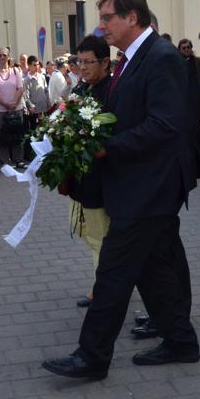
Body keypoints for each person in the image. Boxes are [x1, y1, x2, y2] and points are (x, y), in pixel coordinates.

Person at [42, 0, 198, 379]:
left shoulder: (161, 57)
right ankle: (181, 342)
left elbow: (164, 125)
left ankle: (92, 357)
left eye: (108, 17)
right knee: (154, 269)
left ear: (132, 17)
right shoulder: (131, 59)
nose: (101, 26)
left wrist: (107, 148)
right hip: (138, 183)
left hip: (149, 186)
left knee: (113, 272)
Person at [68, 36, 112, 308]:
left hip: (101, 178)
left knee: (100, 236)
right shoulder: (82, 90)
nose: (82, 68)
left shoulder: (111, 91)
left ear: (105, 62)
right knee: (84, 228)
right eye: (79, 62)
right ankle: (108, 283)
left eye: (88, 62)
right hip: (81, 176)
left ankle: (102, 290)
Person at [0, 46, 27, 167]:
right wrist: (6, 104)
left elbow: (20, 88)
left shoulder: (16, 71)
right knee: (1, 135)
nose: (2, 57)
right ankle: (5, 161)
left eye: (4, 55)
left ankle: (18, 159)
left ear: (8, 57)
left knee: (17, 134)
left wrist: (14, 103)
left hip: (16, 108)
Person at [178, 38, 200, 154]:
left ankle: (199, 146)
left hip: (196, 98)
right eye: (183, 48)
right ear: (180, 49)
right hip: (182, 98)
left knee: (198, 123)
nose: (186, 50)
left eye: (188, 47)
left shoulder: (199, 62)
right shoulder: (176, 62)